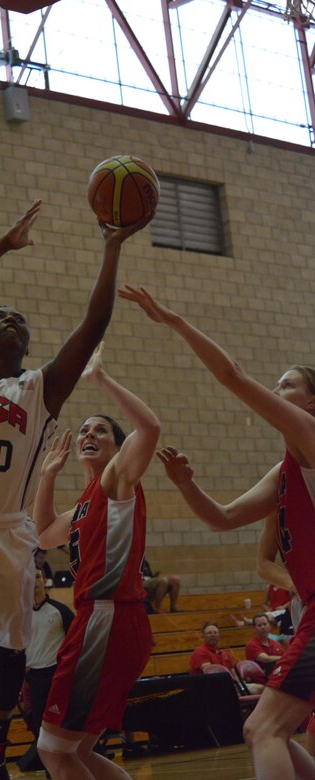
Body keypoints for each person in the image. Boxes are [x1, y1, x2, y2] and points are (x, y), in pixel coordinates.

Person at [0, 201, 145, 780]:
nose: (10, 318)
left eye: (20, 318)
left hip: (9, 533)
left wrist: (111, 249)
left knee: (9, 656)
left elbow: (94, 326)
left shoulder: (43, 389)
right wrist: (3, 244)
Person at [119, 283, 315, 780]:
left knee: (263, 730)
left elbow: (233, 375)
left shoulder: (313, 439)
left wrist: (175, 321)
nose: (275, 392)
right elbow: (222, 518)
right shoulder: (287, 469)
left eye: (287, 385)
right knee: (269, 732)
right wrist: (187, 484)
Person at [32, 342, 161, 780]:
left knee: (53, 750)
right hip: (110, 624)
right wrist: (47, 476)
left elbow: (150, 427)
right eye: (84, 429)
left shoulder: (116, 481)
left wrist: (101, 379)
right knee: (78, 751)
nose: (88, 434)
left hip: (105, 620)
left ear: (120, 448)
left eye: (100, 430)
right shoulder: (86, 501)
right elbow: (44, 533)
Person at [17, 567, 74, 773]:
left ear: (45, 581)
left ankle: (73, 758)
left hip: (57, 674)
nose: (33, 580)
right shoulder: (20, 614)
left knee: (65, 719)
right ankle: (50, 764)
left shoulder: (59, 610)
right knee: (38, 722)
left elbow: (76, 641)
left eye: (38, 576)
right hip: (34, 676)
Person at [245, 614, 284, 678]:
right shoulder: (251, 645)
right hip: (262, 680)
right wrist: (285, 657)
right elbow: (266, 659)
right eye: (259, 625)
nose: (263, 627)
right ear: (254, 628)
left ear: (269, 626)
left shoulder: (276, 644)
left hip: (278, 678)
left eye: (265, 624)